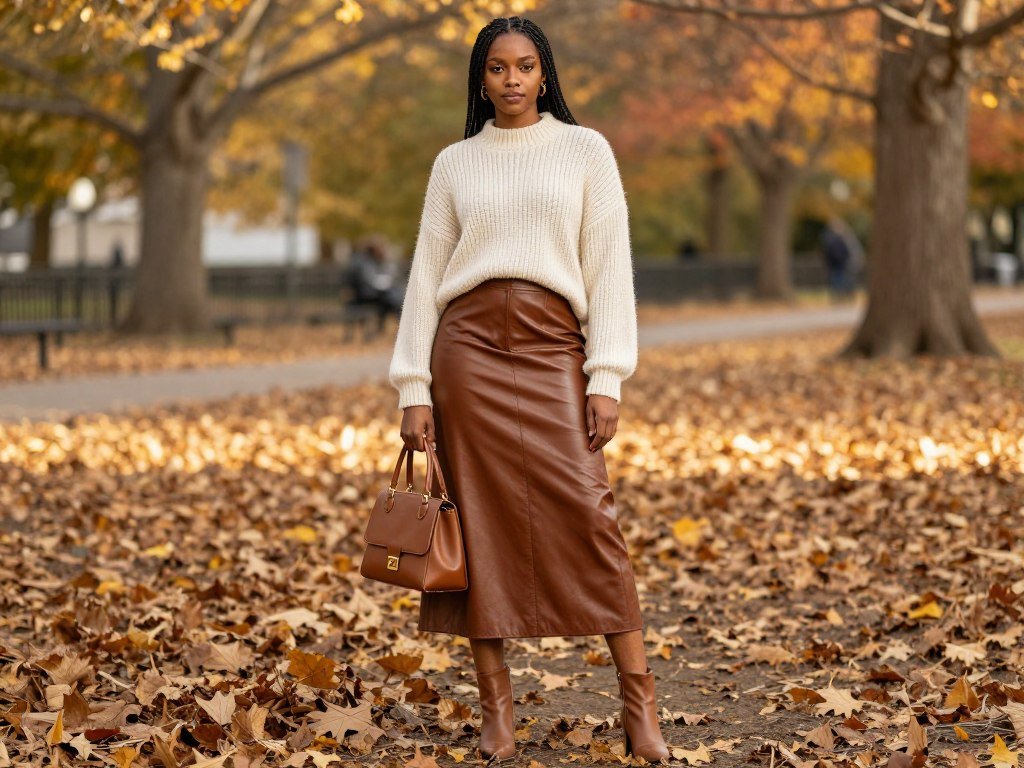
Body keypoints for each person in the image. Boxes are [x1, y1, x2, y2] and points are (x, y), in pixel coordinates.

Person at [387, 16, 672, 764]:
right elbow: (425, 278)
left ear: (544, 74)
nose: (511, 80)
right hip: (467, 353)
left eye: (524, 66)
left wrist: (605, 374)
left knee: (590, 513)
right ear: (480, 80)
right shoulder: (455, 164)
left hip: (553, 348)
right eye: (496, 68)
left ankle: (638, 704)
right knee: (477, 528)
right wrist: (412, 386)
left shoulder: (586, 152)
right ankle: (497, 715)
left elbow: (609, 266)